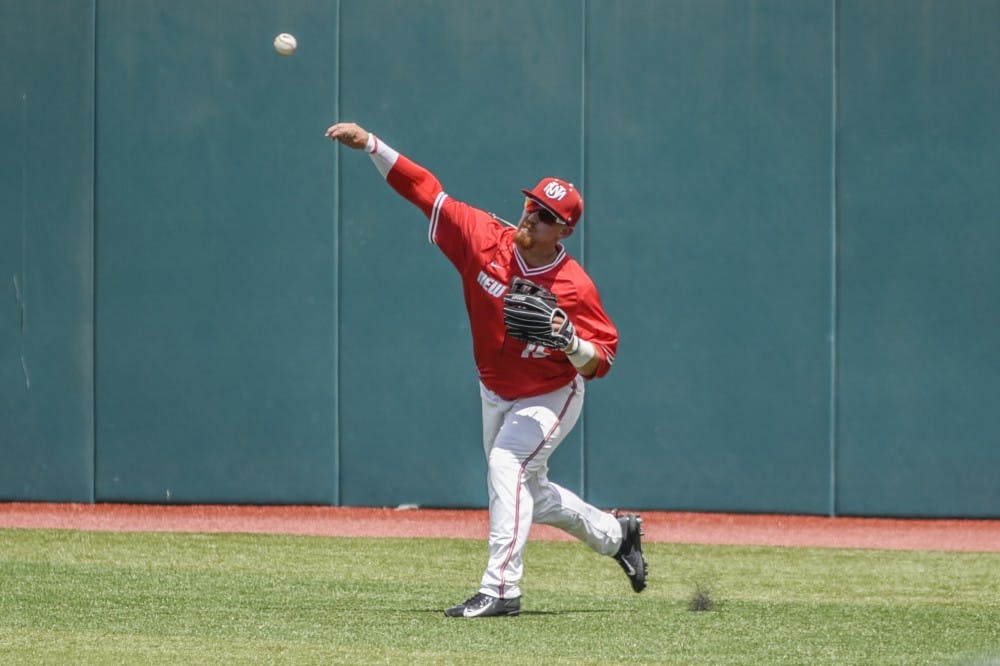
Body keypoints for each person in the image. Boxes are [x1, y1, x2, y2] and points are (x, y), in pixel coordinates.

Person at [325, 122, 648, 618]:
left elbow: (602, 358)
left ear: (563, 230)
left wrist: (570, 341)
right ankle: (616, 535)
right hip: (494, 389)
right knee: (528, 494)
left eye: (545, 215)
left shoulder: (574, 287)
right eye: (531, 204)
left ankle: (501, 590)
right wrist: (371, 144)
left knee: (506, 465)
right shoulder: (483, 239)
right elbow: (426, 192)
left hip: (550, 393)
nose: (531, 215)